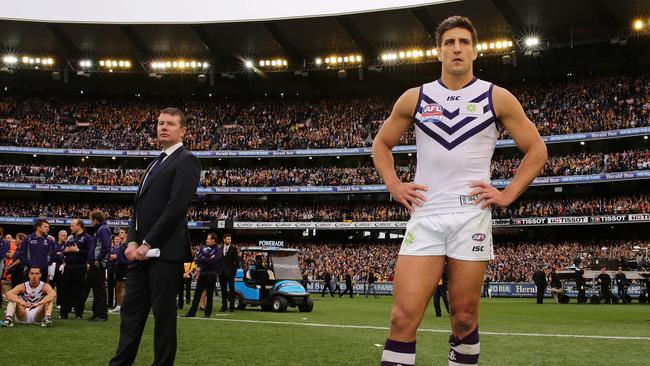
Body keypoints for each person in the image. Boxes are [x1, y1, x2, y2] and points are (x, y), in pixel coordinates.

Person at [373, 16, 547, 366]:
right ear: (439, 51)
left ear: (475, 51)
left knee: (464, 317)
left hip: (471, 215)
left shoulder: (496, 97)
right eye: (449, 42)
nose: (456, 48)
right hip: (426, 215)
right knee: (402, 317)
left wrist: (508, 193)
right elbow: (381, 144)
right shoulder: (416, 97)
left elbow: (537, 150)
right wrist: (393, 184)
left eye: (463, 42)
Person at [110, 107, 201, 366]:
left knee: (163, 318)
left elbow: (175, 208)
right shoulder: (154, 162)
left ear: (183, 130)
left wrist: (148, 243)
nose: (163, 127)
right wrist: (132, 241)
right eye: (160, 123)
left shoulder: (186, 159)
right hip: (139, 254)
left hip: (165, 253)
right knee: (131, 314)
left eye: (170, 124)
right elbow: (139, 208)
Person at [183, 233, 221, 318]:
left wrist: (204, 259)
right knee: (197, 294)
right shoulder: (203, 248)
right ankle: (191, 313)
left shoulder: (218, 249)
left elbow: (214, 261)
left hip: (212, 274)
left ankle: (207, 314)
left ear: (213, 240)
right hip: (202, 274)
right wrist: (207, 259)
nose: (206, 240)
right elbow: (197, 259)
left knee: (210, 295)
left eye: (208, 239)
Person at [60, 219, 91, 319]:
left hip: (80, 267)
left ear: (79, 226)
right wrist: (67, 250)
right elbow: (64, 250)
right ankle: (63, 313)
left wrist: (76, 250)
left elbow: (89, 252)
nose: (70, 227)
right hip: (68, 266)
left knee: (79, 291)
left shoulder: (87, 238)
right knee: (65, 290)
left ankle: (78, 314)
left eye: (72, 225)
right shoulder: (70, 238)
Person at [85, 210, 112, 321]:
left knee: (100, 289)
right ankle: (97, 313)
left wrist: (98, 258)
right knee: (96, 289)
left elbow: (106, 246)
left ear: (95, 220)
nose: (91, 221)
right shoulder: (100, 229)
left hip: (98, 263)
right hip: (96, 262)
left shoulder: (103, 229)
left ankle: (102, 315)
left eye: (91, 219)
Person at [109, 228, 129, 313]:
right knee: (117, 287)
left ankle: (128, 306)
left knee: (127, 288)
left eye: (122, 232)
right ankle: (118, 306)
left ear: (126, 234)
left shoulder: (128, 244)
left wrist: (116, 256)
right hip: (118, 266)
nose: (120, 234)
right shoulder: (119, 244)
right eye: (119, 232)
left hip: (126, 267)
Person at [218, 233, 239, 313]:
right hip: (221, 272)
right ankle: (224, 306)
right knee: (223, 290)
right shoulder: (220, 248)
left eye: (230, 239)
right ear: (224, 239)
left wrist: (233, 271)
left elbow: (237, 262)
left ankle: (231, 307)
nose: (229, 241)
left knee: (231, 290)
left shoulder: (233, 249)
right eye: (228, 239)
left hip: (230, 273)